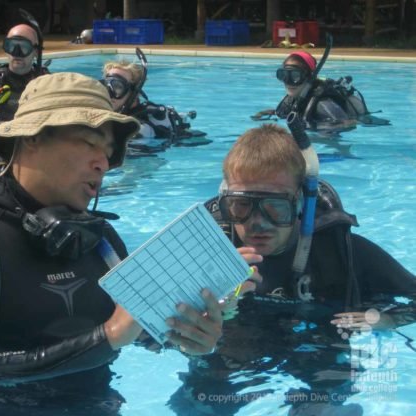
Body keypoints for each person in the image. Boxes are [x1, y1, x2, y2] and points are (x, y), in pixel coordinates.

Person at [0, 72, 223, 414]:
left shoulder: (101, 242)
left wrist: (191, 338)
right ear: (32, 137)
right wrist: (110, 335)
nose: (103, 163)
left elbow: (141, 331)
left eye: (108, 152)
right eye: (90, 143)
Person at [169, 123, 416, 415]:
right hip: (241, 343)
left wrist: (384, 319)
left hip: (318, 347)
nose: (257, 222)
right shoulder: (213, 253)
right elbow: (153, 331)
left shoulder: (341, 251)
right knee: (192, 405)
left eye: (275, 207)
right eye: (241, 206)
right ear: (225, 202)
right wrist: (195, 333)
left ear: (300, 204)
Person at [252, 51, 389, 130]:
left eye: (295, 76)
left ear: (308, 77)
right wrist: (263, 113)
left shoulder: (323, 105)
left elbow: (343, 127)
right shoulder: (291, 98)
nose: (288, 82)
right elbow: (284, 112)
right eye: (283, 75)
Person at [101, 58, 204, 142]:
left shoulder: (139, 129)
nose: (110, 93)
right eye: (106, 85)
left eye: (117, 86)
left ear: (134, 92)